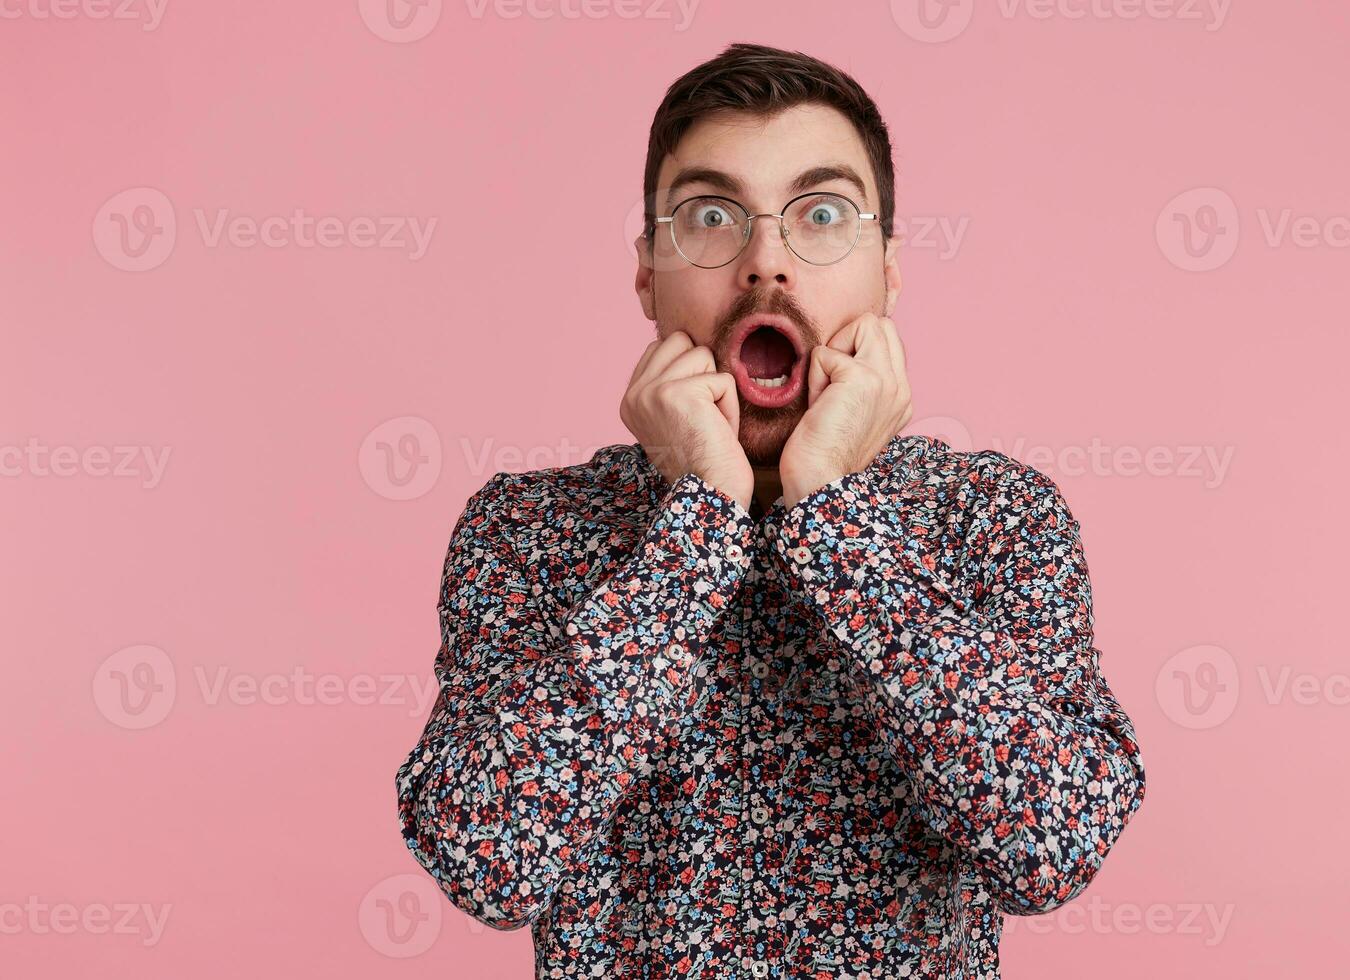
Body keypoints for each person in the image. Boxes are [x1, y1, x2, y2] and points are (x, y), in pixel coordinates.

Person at [395, 41, 1146, 979]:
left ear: (889, 270)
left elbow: (1053, 847)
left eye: (821, 214)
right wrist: (697, 528)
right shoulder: (527, 531)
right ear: (645, 274)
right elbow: (485, 860)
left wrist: (833, 512)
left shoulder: (994, 517)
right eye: (711, 217)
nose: (764, 263)